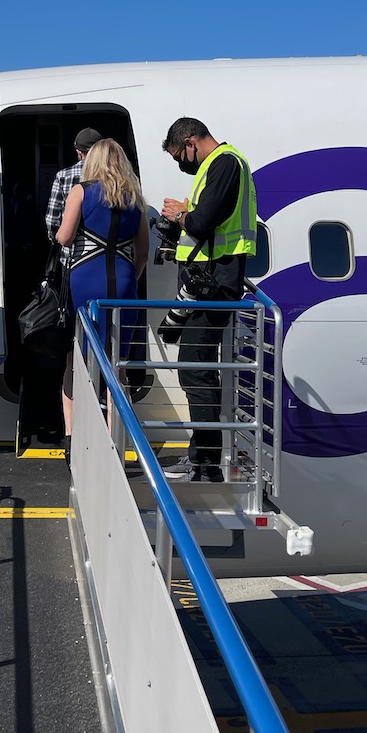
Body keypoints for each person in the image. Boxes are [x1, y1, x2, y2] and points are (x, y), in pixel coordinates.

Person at [161, 117, 257, 481]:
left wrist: (180, 215)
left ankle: (204, 463)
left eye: (178, 157)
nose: (181, 165)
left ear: (190, 142)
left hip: (216, 284)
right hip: (208, 282)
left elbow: (202, 224)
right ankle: (201, 458)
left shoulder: (224, 163)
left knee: (196, 368)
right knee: (195, 367)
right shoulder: (220, 165)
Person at [55, 139, 149, 445]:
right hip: (123, 282)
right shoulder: (136, 199)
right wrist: (129, 279)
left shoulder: (81, 191)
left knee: (76, 358)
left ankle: (72, 434)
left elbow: (64, 238)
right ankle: (114, 438)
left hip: (85, 280)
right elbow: (143, 252)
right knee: (116, 362)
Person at [45, 127, 103, 271]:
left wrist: (57, 241)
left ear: (78, 151)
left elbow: (53, 220)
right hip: (106, 256)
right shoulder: (113, 178)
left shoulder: (63, 176)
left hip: (73, 256)